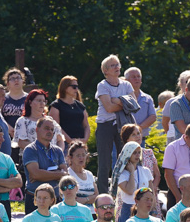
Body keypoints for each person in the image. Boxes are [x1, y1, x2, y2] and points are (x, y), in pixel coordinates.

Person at [95, 55, 134, 193]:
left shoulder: (126, 84)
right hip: (105, 125)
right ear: (105, 70)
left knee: (124, 159)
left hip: (123, 125)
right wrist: (124, 103)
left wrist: (116, 100)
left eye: (117, 64)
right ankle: (103, 194)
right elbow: (109, 108)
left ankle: (122, 192)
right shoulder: (102, 85)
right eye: (112, 65)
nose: (117, 67)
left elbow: (133, 104)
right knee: (104, 162)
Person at [22, 116, 67, 214]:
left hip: (54, 201)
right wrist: (58, 174)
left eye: (52, 129)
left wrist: (43, 174)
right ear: (37, 130)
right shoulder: (30, 150)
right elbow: (35, 175)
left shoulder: (58, 151)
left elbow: (65, 175)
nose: (50, 131)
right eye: (46, 128)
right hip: (35, 201)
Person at [112, 141, 153, 222]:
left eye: (139, 153)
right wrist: (131, 172)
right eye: (134, 153)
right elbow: (130, 191)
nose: (137, 155)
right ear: (128, 154)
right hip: (128, 209)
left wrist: (153, 208)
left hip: (144, 207)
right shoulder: (121, 174)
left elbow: (151, 192)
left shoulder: (145, 171)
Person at [121, 124, 161, 206]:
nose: (137, 136)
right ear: (127, 139)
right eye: (133, 134)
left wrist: (151, 190)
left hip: (148, 195)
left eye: (138, 133)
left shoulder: (149, 153)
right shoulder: (124, 156)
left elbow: (157, 175)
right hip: (130, 200)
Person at [50, 75, 90, 145]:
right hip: (63, 144)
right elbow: (56, 127)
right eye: (74, 87)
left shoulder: (80, 106)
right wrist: (70, 140)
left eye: (77, 87)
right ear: (65, 88)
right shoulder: (56, 106)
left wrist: (85, 139)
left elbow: (86, 125)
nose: (76, 89)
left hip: (80, 144)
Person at [124, 67, 156, 140]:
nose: (137, 79)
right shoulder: (122, 97)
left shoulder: (147, 98)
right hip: (123, 138)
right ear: (126, 81)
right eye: (133, 77)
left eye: (138, 76)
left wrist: (138, 129)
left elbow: (153, 117)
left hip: (141, 138)